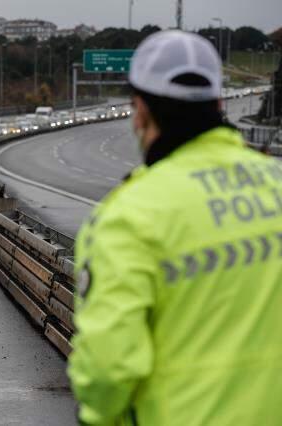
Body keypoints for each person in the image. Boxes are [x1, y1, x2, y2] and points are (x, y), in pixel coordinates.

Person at [68, 30, 282, 425]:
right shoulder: (277, 183)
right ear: (219, 102)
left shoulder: (129, 216)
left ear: (141, 111)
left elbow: (107, 369)